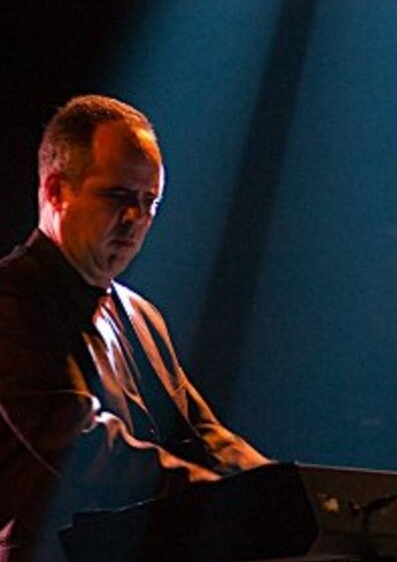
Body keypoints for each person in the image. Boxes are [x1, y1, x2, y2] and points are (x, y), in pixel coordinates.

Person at [0, 94, 270, 561]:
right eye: (119, 196)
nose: (136, 218)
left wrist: (286, 489)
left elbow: (204, 433)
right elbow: (83, 449)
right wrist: (225, 500)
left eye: (149, 202)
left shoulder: (140, 315)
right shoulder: (12, 300)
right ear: (57, 190)